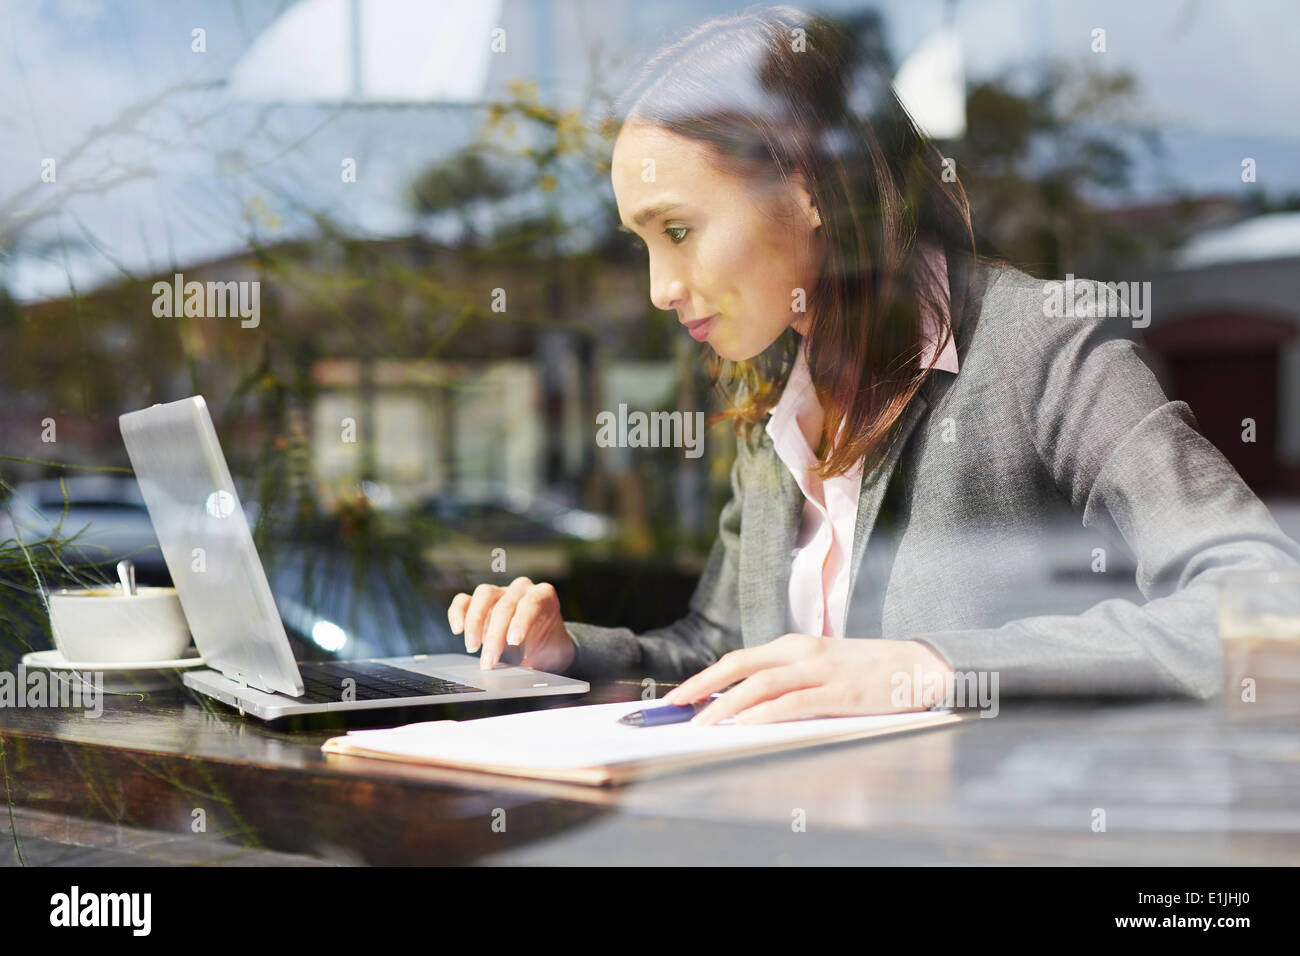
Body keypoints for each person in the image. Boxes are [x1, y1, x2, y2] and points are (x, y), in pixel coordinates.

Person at [448, 5, 1300, 723]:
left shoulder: (1044, 346)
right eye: (641, 244)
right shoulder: (779, 392)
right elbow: (727, 651)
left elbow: (1267, 610)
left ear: (807, 188)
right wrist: (569, 654)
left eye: (677, 230)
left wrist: (927, 668)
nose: (660, 288)